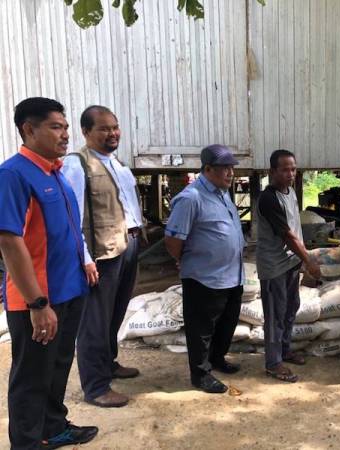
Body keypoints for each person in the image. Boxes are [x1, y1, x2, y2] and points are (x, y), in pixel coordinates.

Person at [0, 97, 97, 449]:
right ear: (29, 129)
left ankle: (53, 429)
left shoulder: (54, 172)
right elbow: (10, 242)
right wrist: (37, 303)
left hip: (68, 292)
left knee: (56, 368)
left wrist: (84, 262)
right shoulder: (13, 175)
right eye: (56, 127)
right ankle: (26, 443)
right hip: (37, 300)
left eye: (66, 127)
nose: (66, 135)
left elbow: (67, 230)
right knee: (30, 377)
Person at [61, 106, 144, 408]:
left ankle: (108, 363)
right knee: (94, 321)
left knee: (115, 312)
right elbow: (72, 218)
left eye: (115, 127)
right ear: (86, 132)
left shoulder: (117, 164)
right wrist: (84, 258)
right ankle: (96, 387)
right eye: (104, 129)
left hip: (129, 244)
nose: (112, 134)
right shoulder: (77, 166)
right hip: (101, 254)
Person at [164, 145, 245, 394]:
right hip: (204, 277)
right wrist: (186, 259)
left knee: (226, 323)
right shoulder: (191, 198)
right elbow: (173, 240)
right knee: (201, 330)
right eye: (224, 168)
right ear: (207, 169)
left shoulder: (223, 194)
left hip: (232, 275)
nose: (230, 173)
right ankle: (200, 374)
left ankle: (217, 359)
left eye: (232, 168)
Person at [256, 149, 321, 383]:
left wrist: (301, 260)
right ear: (272, 171)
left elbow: (296, 230)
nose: (290, 173)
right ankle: (273, 363)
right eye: (284, 169)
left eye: (293, 169)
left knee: (291, 308)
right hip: (274, 266)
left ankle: (284, 350)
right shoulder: (268, 199)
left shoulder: (290, 192)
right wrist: (309, 261)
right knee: (274, 315)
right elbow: (288, 236)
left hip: (290, 263)